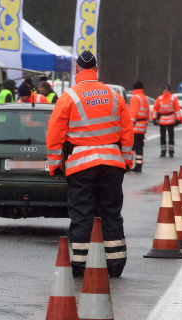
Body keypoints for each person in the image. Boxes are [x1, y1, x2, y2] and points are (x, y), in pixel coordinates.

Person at [46, 50, 133, 277]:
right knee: (111, 213)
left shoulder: (69, 97)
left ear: (77, 70)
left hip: (81, 165)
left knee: (82, 214)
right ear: (96, 70)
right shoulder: (114, 95)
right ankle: (115, 264)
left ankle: (81, 264)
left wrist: (54, 164)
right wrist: (127, 160)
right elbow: (127, 130)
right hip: (112, 163)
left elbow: (55, 133)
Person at [128, 81, 150, 172]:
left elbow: (133, 114)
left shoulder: (135, 98)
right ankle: (139, 165)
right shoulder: (145, 98)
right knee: (139, 147)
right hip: (142, 127)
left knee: (130, 147)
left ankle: (127, 166)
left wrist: (128, 126)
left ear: (134, 88)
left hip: (135, 127)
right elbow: (148, 114)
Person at [153, 84, 181, 157]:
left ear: (169, 90)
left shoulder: (173, 98)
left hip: (171, 119)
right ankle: (163, 151)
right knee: (162, 136)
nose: (166, 91)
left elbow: (177, 109)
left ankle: (171, 151)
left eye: (167, 90)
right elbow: (155, 109)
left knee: (171, 136)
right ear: (163, 90)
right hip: (162, 119)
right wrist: (154, 118)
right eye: (165, 90)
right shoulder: (159, 98)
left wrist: (178, 119)